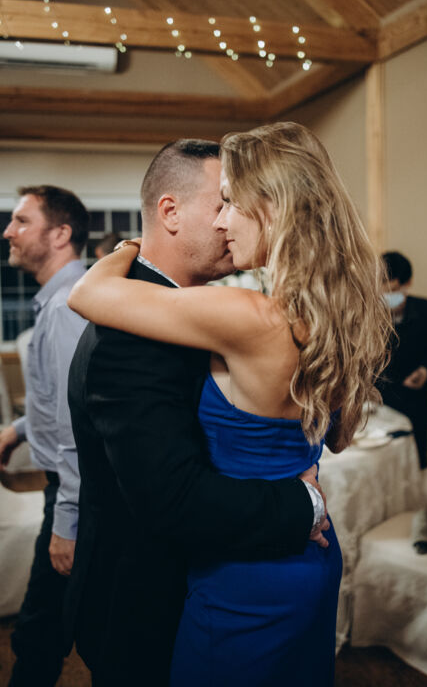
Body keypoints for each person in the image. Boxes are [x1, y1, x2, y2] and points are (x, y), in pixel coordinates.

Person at [68, 124, 390, 687]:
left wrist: (126, 247)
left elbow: (86, 293)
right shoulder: (328, 317)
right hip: (302, 559)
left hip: (247, 573)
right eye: (217, 205)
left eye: (230, 204)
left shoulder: (247, 316)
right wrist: (304, 499)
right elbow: (335, 437)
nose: (223, 221)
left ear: (272, 210)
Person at [0, 185, 89, 687]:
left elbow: (78, 419)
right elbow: (54, 400)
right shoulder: (56, 299)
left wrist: (66, 520)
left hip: (74, 492)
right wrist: (16, 432)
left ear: (60, 234)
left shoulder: (66, 307)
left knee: (40, 629)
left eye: (21, 221)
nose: (8, 232)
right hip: (68, 488)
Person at [379, 251, 427, 468]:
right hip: (379, 395)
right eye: (382, 290)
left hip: (414, 394)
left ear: (407, 284)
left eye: (392, 290)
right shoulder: (370, 314)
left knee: (415, 450)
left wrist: (425, 370)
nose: (386, 296)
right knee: (380, 454)